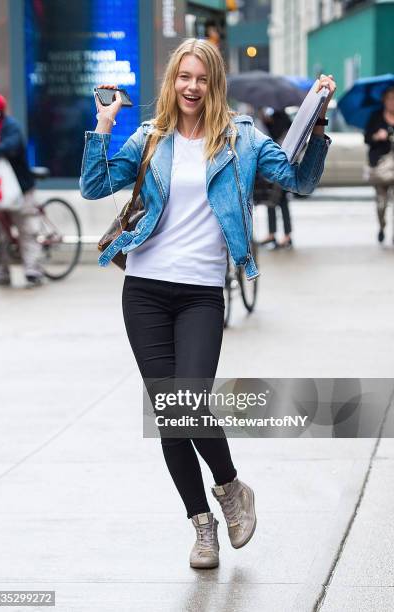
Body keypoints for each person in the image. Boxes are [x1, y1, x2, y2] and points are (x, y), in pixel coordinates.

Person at [80, 39, 335, 569]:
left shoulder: (241, 138)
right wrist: (103, 125)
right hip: (145, 289)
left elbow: (298, 179)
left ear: (214, 82)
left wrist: (315, 123)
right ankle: (203, 527)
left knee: (189, 401)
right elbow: (95, 184)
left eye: (200, 78)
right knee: (169, 414)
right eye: (182, 77)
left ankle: (231, 487)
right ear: (172, 81)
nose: (191, 87)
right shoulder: (151, 137)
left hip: (200, 293)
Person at [0, 91, 43, 287]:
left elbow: (11, 146)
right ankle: (2, 271)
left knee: (26, 228)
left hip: (20, 187)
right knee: (0, 233)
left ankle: (32, 269)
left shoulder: (11, 127)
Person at [259, 109, 293, 249]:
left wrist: (268, 123)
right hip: (277, 162)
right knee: (271, 199)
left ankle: (286, 235)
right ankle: (275, 233)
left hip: (281, 163)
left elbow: (275, 138)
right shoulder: (280, 118)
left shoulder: (283, 119)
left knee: (281, 200)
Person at [364, 85, 394, 244]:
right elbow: (367, 138)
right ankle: (382, 226)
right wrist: (377, 136)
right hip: (380, 166)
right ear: (384, 100)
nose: (392, 102)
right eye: (390, 98)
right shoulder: (376, 117)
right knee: (381, 204)